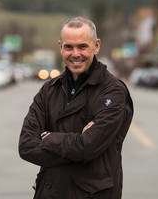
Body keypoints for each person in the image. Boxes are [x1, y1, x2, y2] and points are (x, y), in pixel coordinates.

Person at [18, 17, 134, 199]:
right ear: (60, 47)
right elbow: (26, 146)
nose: (75, 54)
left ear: (96, 46)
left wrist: (49, 138)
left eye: (82, 46)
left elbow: (89, 146)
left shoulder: (113, 91)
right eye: (69, 47)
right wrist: (81, 144)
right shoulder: (49, 90)